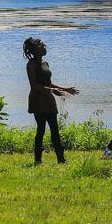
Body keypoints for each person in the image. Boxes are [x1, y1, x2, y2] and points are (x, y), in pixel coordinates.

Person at [23, 37, 79, 165]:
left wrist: (65, 89)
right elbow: (34, 86)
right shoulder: (31, 64)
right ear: (36, 50)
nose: (45, 48)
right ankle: (37, 160)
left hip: (48, 100)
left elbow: (48, 82)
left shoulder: (45, 63)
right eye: (42, 46)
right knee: (41, 130)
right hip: (38, 100)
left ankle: (61, 159)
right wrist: (52, 91)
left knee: (55, 130)